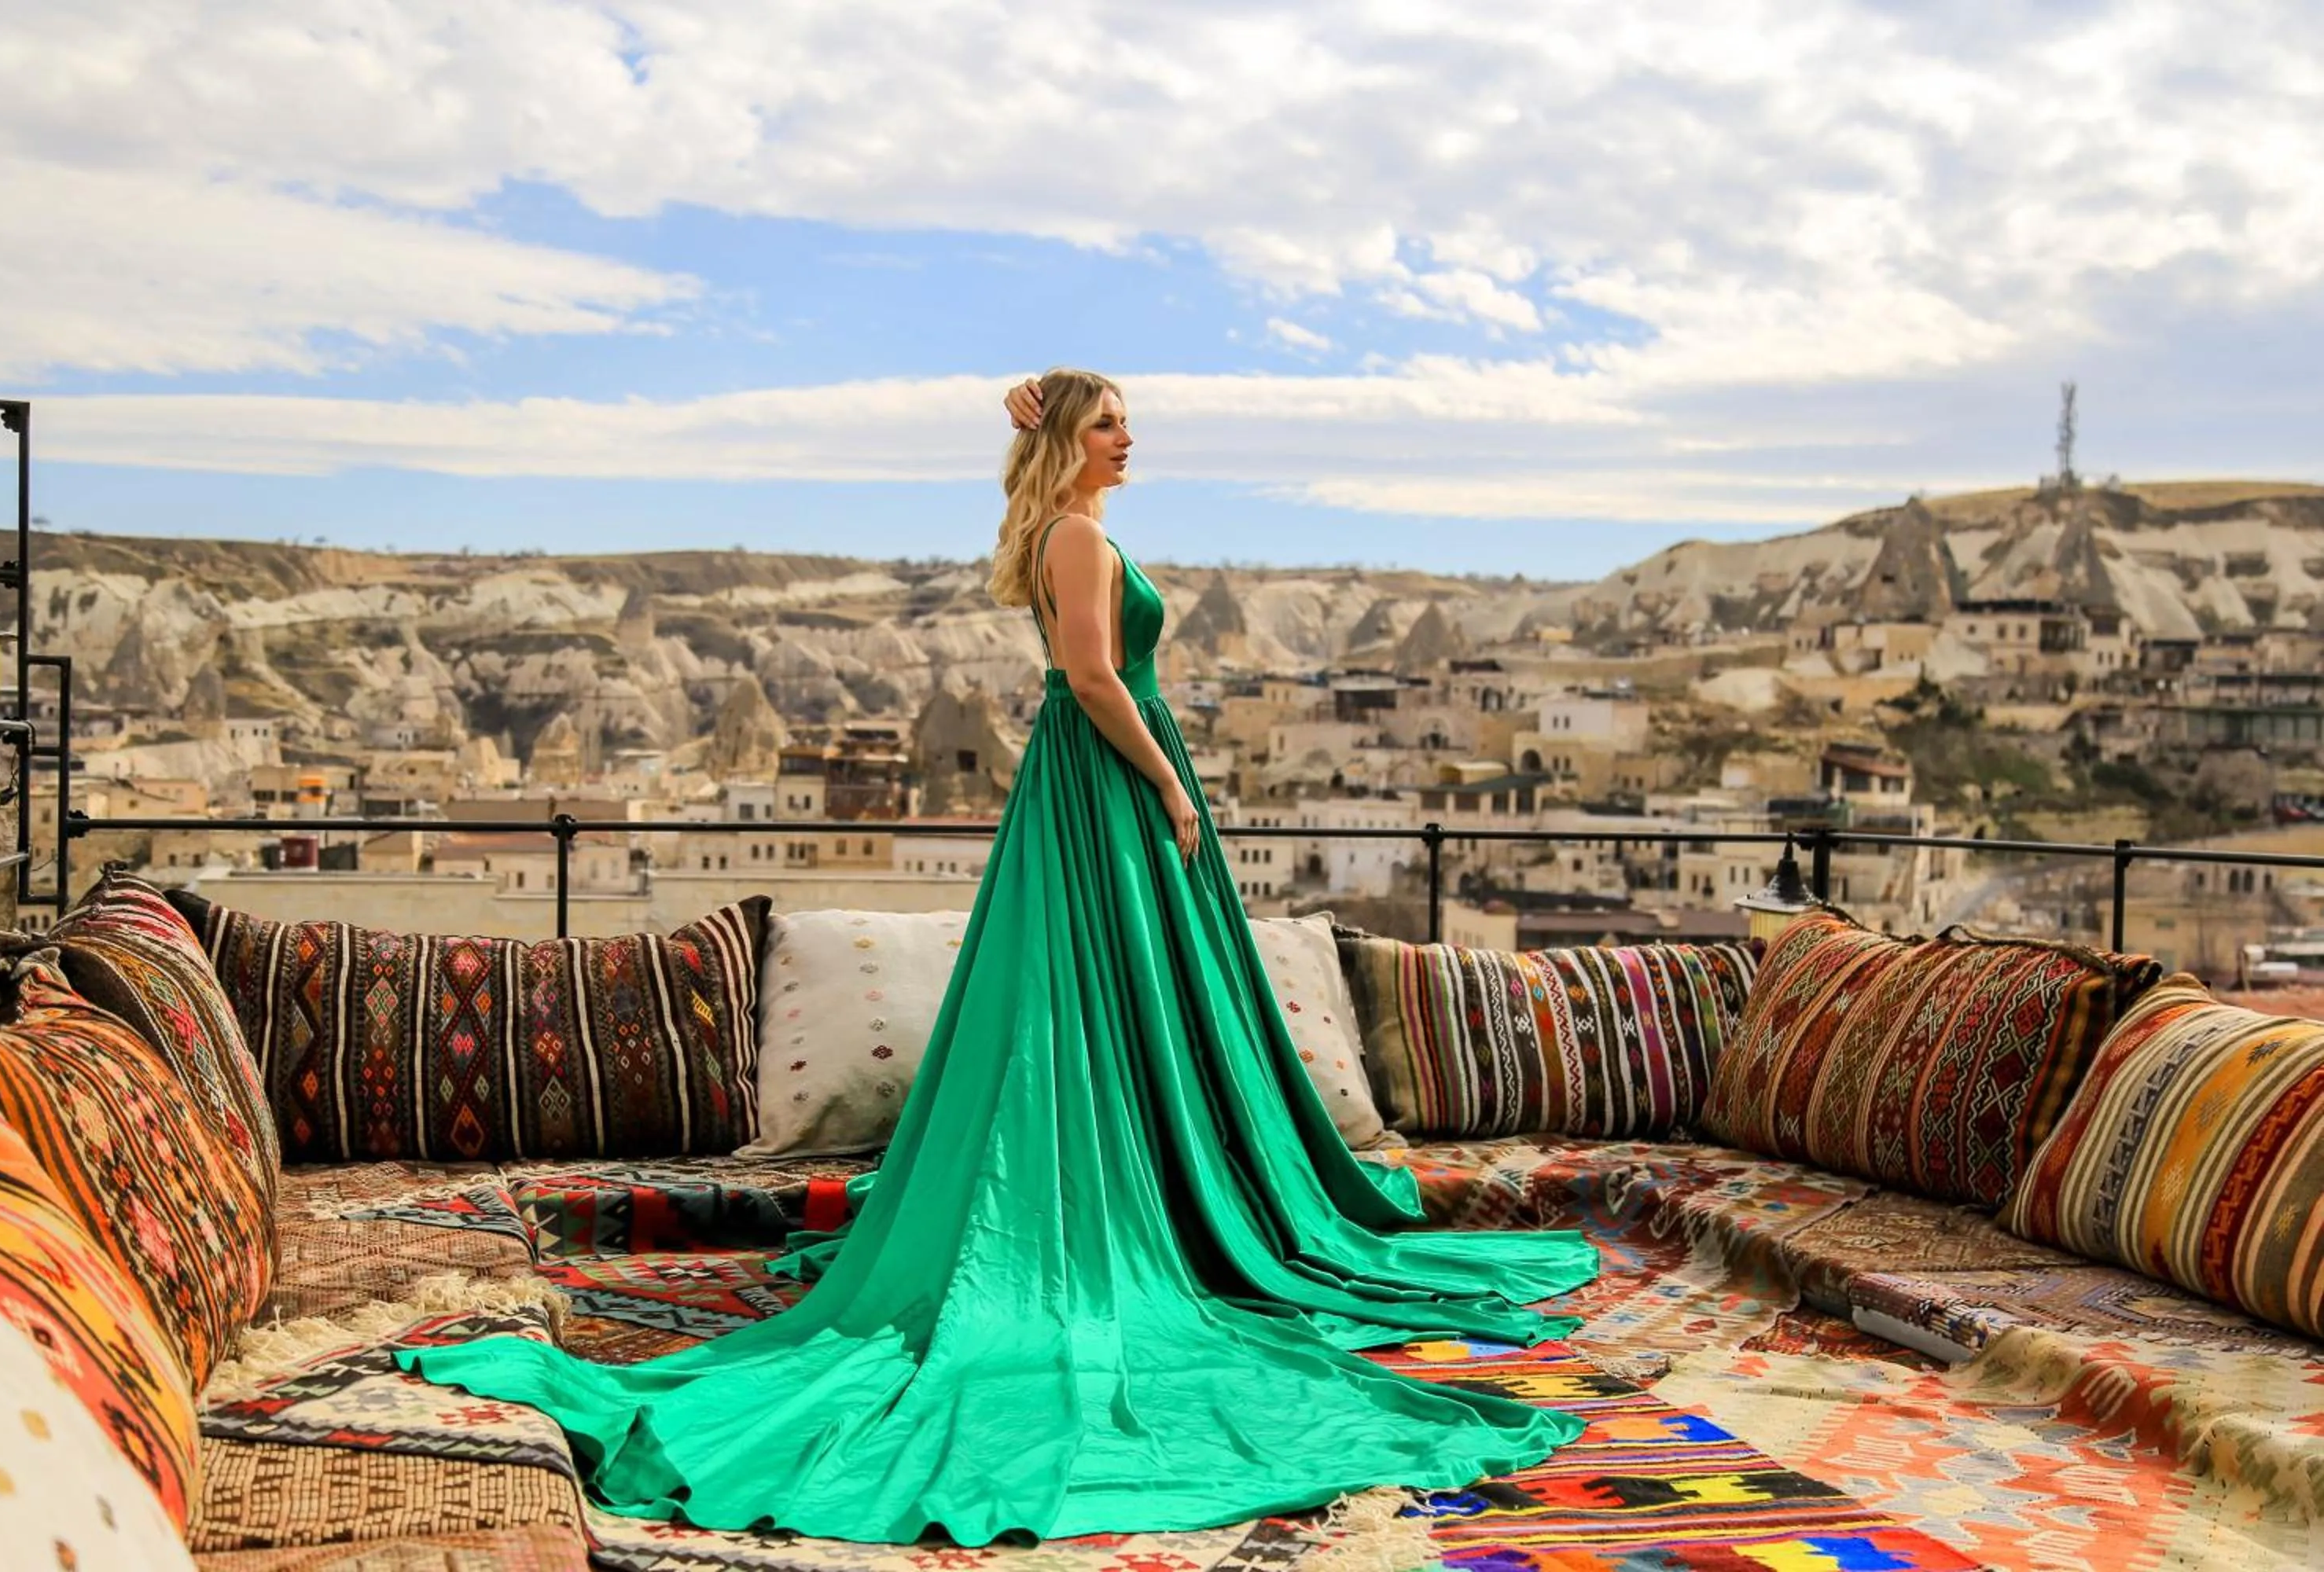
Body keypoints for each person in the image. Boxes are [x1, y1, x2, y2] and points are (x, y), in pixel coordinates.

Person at [395, 369, 1596, 1546]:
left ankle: (1173, 1194)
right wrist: (1171, 779)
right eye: (1110, 423)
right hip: (1110, 772)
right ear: (1072, 443)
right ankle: (1153, 1215)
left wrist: (1029, 410)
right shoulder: (1076, 537)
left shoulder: (1075, 526)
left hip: (1094, 777)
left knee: (1127, 989)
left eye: (1131, 419)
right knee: (1105, 991)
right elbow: (1088, 675)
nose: (1132, 438)